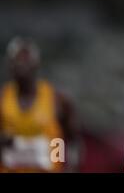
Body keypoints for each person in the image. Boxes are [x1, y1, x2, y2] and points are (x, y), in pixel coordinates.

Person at [0, 37, 81, 172]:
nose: (21, 64)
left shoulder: (58, 100)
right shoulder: (2, 98)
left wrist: (71, 168)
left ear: (36, 63)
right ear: (9, 65)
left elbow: (74, 141)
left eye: (25, 59)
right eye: (16, 60)